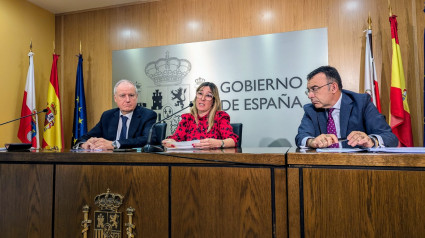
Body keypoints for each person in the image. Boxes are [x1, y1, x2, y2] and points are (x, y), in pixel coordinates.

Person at [295, 66, 398, 148]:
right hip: (323, 168)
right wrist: (311, 141)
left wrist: (371, 140)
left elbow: (390, 137)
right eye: (308, 90)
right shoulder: (311, 109)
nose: (310, 95)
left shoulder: (361, 102)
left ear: (333, 87)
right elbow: (301, 137)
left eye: (314, 89)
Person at [76, 79, 157, 150]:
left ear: (136, 97)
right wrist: (84, 144)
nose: (127, 100)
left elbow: (148, 139)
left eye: (131, 95)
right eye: (122, 96)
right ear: (115, 98)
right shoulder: (107, 116)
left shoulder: (148, 115)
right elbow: (84, 138)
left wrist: (115, 144)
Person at [162, 82, 239, 149]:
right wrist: (170, 142)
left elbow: (233, 141)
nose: (202, 98)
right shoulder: (188, 118)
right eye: (200, 93)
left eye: (208, 95)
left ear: (213, 101)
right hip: (189, 161)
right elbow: (176, 138)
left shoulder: (220, 117)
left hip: (213, 161)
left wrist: (218, 143)